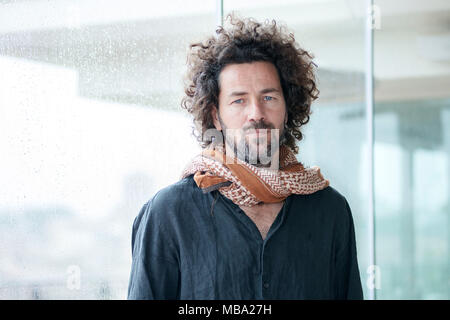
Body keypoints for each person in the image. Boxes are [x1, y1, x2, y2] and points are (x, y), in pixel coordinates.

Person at [127, 14, 364, 300]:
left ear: (287, 109)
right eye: (239, 100)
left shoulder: (330, 211)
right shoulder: (169, 213)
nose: (256, 114)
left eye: (269, 97)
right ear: (215, 115)